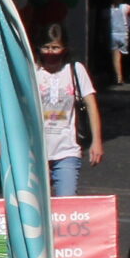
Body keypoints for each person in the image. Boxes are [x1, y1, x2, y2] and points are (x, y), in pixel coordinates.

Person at [32, 25, 102, 197]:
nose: (50, 52)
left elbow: (91, 105)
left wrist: (97, 141)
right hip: (35, 150)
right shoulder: (32, 69)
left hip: (67, 148)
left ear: (64, 48)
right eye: (46, 47)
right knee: (38, 204)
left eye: (55, 47)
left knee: (67, 201)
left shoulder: (75, 70)